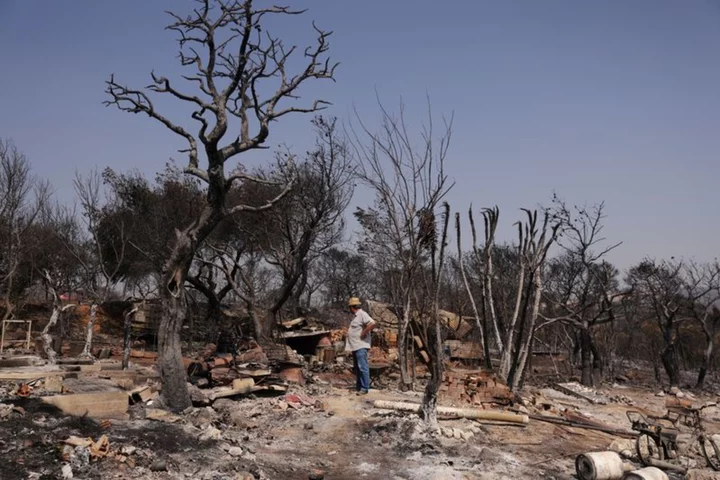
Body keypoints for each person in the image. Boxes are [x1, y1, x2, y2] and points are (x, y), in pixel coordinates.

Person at [345, 297, 376, 395]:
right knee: (357, 368)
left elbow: (372, 323)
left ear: (351, 307)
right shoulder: (356, 316)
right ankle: (359, 386)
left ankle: (364, 388)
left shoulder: (362, 314)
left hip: (361, 346)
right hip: (355, 346)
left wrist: (364, 332)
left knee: (362, 367)